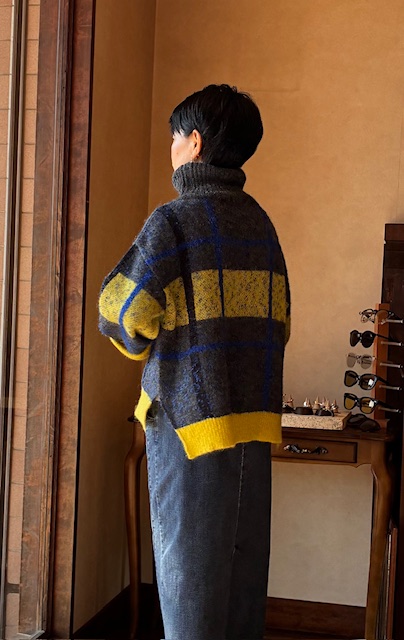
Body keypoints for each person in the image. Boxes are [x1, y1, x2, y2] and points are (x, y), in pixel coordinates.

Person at [98, 84, 290, 640]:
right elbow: (281, 322)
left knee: (188, 588)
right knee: (240, 585)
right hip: (253, 426)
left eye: (174, 137)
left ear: (196, 142)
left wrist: (141, 344)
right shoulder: (260, 223)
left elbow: (120, 309)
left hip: (188, 428)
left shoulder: (174, 221)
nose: (171, 147)